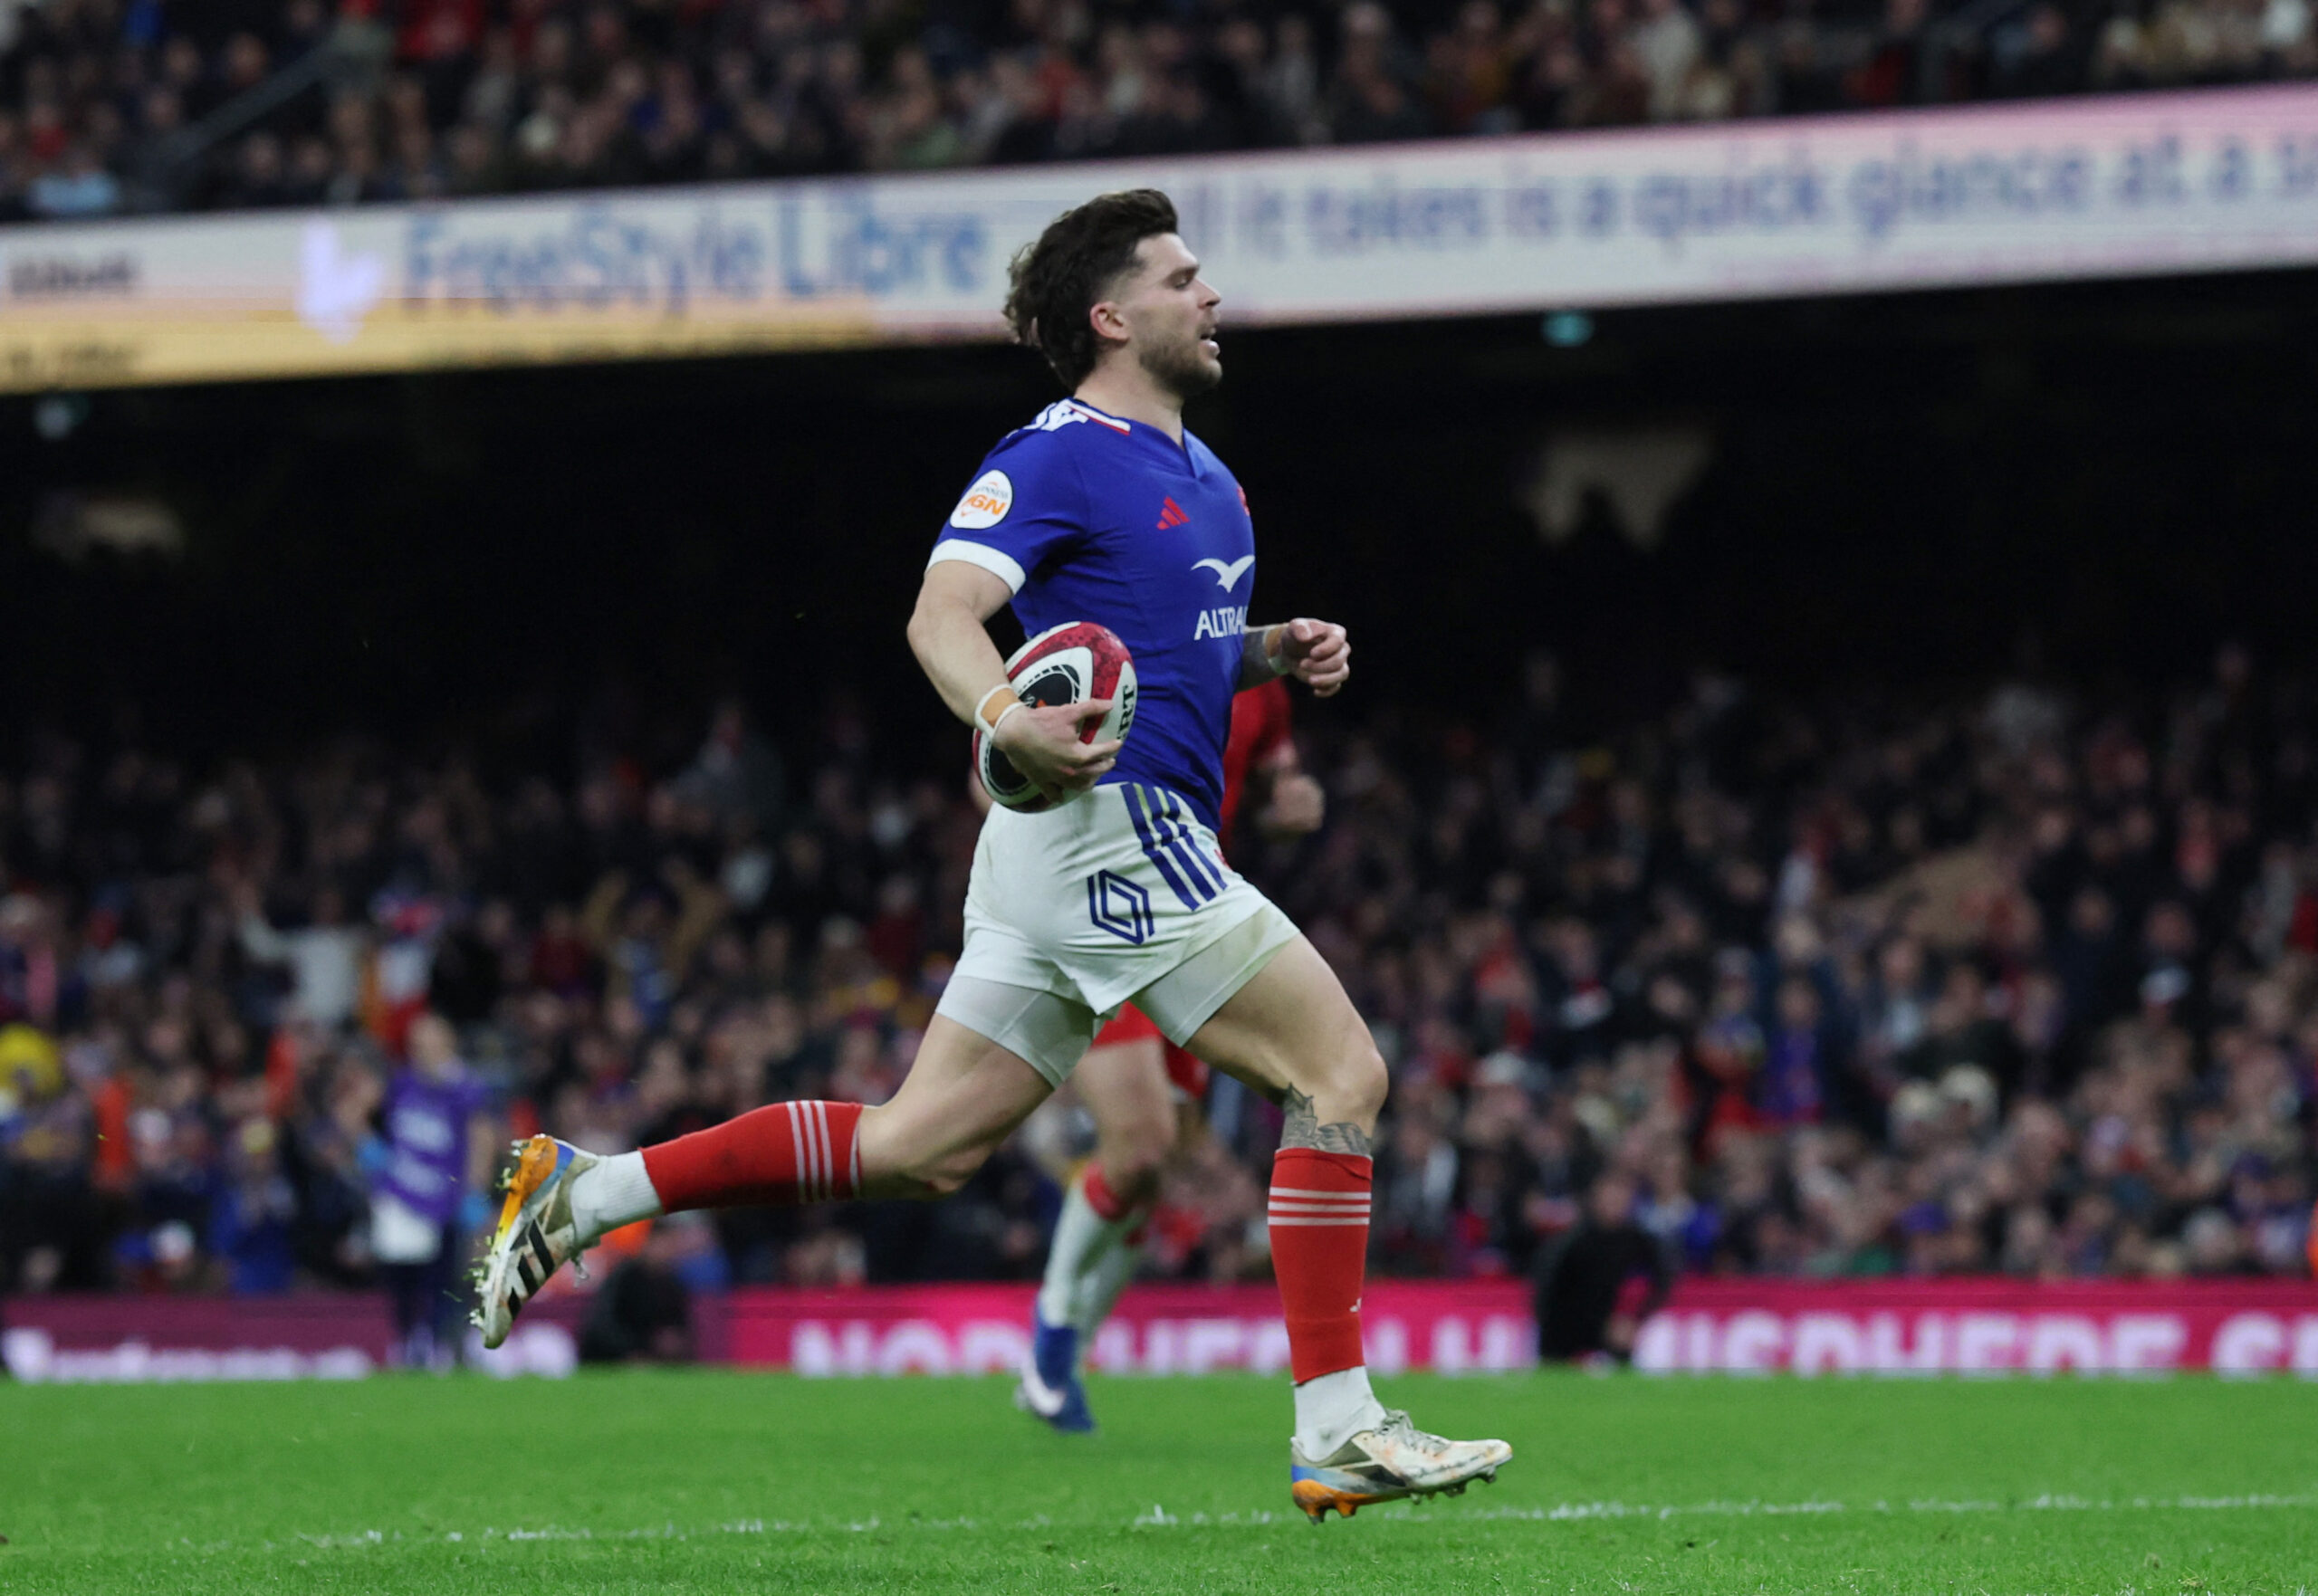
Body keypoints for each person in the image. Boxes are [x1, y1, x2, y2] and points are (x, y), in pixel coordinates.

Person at [473, 187, 1510, 1521]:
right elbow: (941, 613)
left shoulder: (1216, 483)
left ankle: (586, 1189)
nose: (1209, 294)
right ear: (1111, 316)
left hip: (1067, 854)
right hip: (1108, 826)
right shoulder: (1057, 453)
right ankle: (1339, 1422)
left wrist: (1271, 651)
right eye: (1181, 277)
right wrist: (1006, 712)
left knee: (918, 1145)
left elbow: (1171, 660)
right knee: (1341, 1071)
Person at [1016, 674, 1326, 1431]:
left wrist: (1294, 806)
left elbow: (1274, 781)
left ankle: (1064, 1355)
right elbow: (997, 760)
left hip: (1191, 922)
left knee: (1155, 1169)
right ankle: (1053, 1328)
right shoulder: (1113, 653)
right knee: (1144, 1141)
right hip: (1099, 903)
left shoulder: (1256, 678)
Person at [375, 1013, 494, 1369]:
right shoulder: (403, 1083)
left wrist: (474, 1190)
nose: (421, 1051)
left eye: (428, 1043)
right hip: (404, 1195)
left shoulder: (464, 1088)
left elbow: (481, 1137)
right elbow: (383, 1122)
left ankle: (447, 1344)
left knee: (448, 1276)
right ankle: (409, 1341)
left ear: (447, 1044)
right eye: (416, 1044)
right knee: (402, 1275)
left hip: (446, 1198)